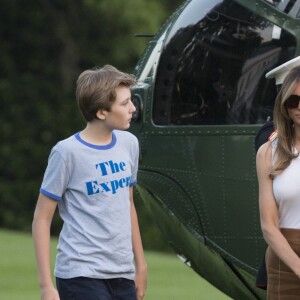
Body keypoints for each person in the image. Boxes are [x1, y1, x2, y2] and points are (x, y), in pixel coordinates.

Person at [32, 65, 147, 300]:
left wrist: (141, 264)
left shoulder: (129, 144)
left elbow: (128, 204)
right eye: (125, 104)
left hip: (123, 274)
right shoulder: (66, 153)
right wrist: (46, 286)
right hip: (80, 275)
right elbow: (41, 219)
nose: (133, 108)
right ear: (102, 112)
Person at [256, 61, 300, 298]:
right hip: (283, 259)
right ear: (285, 106)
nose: (299, 107)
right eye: (294, 101)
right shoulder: (267, 152)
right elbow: (269, 225)